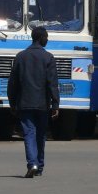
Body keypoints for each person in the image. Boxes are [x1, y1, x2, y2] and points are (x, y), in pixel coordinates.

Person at [7, 26, 59, 178]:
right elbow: (52, 83)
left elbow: (13, 83)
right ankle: (39, 166)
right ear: (40, 38)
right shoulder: (48, 57)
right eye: (46, 37)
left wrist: (12, 102)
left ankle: (33, 164)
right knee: (41, 135)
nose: (47, 39)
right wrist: (55, 104)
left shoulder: (20, 56)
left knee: (29, 134)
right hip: (42, 104)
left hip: (24, 103)